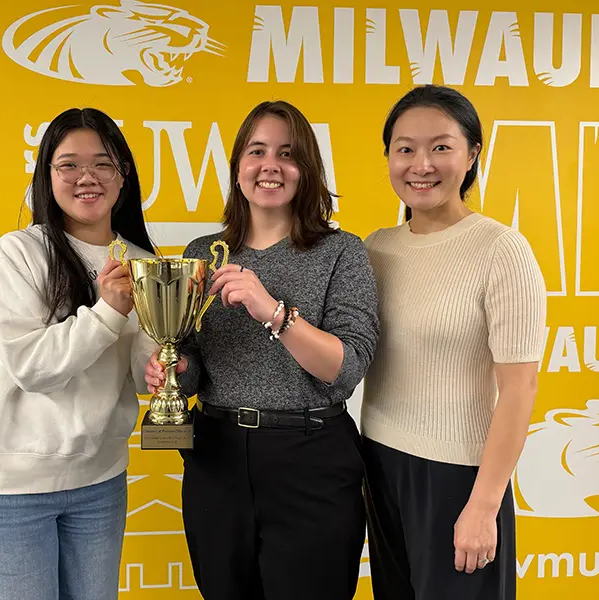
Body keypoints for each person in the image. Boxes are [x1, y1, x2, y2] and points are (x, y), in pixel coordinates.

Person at [144, 100, 380, 600]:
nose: (270, 165)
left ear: (306, 171)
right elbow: (192, 361)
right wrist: (173, 370)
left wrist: (273, 311)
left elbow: (347, 367)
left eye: (287, 153)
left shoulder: (342, 252)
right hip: (217, 456)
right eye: (257, 151)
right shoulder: (202, 254)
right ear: (237, 168)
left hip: (310, 460)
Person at [0, 108, 159, 600]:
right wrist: (108, 311)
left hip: (100, 481)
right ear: (47, 176)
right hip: (9, 488)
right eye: (68, 164)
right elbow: (31, 367)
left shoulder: (144, 264)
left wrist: (164, 367)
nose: (86, 177)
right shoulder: (17, 254)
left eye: (103, 163)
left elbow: (137, 374)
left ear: (123, 175)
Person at [361, 84, 547, 600]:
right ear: (389, 157)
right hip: (379, 460)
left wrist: (484, 505)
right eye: (405, 149)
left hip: (457, 476)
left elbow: (520, 388)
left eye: (441, 146)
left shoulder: (501, 249)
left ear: (471, 156)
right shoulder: (375, 248)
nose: (421, 163)